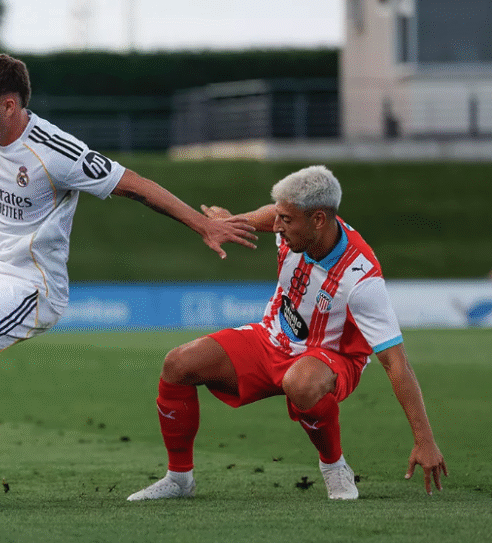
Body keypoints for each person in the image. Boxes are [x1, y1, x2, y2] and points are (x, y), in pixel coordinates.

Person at [0, 54, 258, 507]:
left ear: (10, 106)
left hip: (35, 285)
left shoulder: (57, 151)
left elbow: (135, 184)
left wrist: (202, 224)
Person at [127, 165, 447, 502]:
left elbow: (396, 363)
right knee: (178, 364)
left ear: (318, 220)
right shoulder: (295, 225)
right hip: (271, 339)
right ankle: (179, 479)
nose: (277, 226)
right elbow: (270, 213)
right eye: (279, 217)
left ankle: (334, 466)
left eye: (286, 220)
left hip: (331, 357)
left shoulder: (361, 280)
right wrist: (235, 221)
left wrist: (424, 440)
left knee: (301, 382)